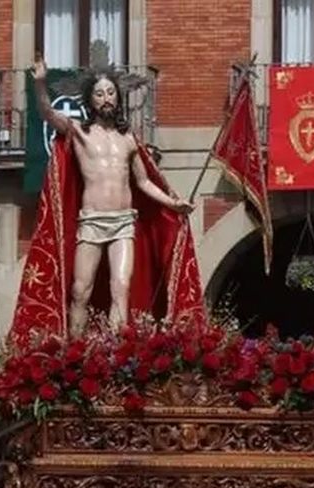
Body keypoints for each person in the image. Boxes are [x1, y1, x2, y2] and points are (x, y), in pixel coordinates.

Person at [32, 56, 193, 335]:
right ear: (90, 100)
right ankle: (76, 354)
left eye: (110, 92)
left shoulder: (128, 138)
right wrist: (40, 84)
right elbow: (47, 113)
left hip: (123, 223)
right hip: (92, 221)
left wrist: (173, 203)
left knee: (121, 288)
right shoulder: (79, 132)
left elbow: (143, 182)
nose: (105, 98)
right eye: (99, 94)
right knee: (81, 290)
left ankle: (114, 354)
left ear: (117, 98)